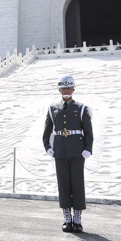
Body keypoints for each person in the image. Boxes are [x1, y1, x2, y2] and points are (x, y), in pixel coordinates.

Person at [42, 75, 93, 232]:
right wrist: (47, 147)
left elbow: (88, 131)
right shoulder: (53, 108)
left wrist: (87, 148)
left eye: (69, 88)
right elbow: (47, 130)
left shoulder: (81, 108)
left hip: (77, 151)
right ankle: (67, 218)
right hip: (60, 151)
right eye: (63, 88)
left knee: (77, 184)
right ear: (59, 89)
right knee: (63, 185)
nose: (66, 90)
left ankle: (77, 218)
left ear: (73, 89)